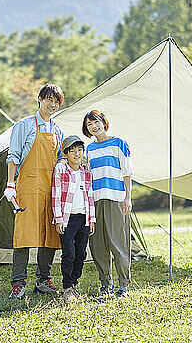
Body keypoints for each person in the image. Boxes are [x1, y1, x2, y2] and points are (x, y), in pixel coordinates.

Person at [4, 83, 65, 299]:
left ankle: (43, 280)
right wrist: (10, 184)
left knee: (50, 233)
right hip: (28, 186)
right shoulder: (24, 125)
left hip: (51, 188)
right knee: (24, 234)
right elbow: (13, 156)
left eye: (57, 102)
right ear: (40, 99)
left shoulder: (58, 131)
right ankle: (18, 283)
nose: (52, 104)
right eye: (49, 99)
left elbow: (60, 160)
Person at [83, 110, 133, 299]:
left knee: (117, 242)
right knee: (98, 244)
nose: (94, 127)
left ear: (104, 122)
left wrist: (128, 198)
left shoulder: (120, 143)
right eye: (89, 125)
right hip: (95, 200)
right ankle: (106, 283)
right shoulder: (89, 149)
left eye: (96, 122)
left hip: (115, 199)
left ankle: (123, 286)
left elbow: (127, 173)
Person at [51, 135, 96, 301]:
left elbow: (90, 196)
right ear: (66, 154)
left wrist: (91, 219)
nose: (77, 154)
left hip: (83, 218)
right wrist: (58, 219)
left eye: (79, 150)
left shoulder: (86, 173)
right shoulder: (61, 170)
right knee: (68, 253)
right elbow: (55, 196)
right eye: (72, 151)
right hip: (67, 219)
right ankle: (67, 287)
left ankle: (74, 283)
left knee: (81, 254)